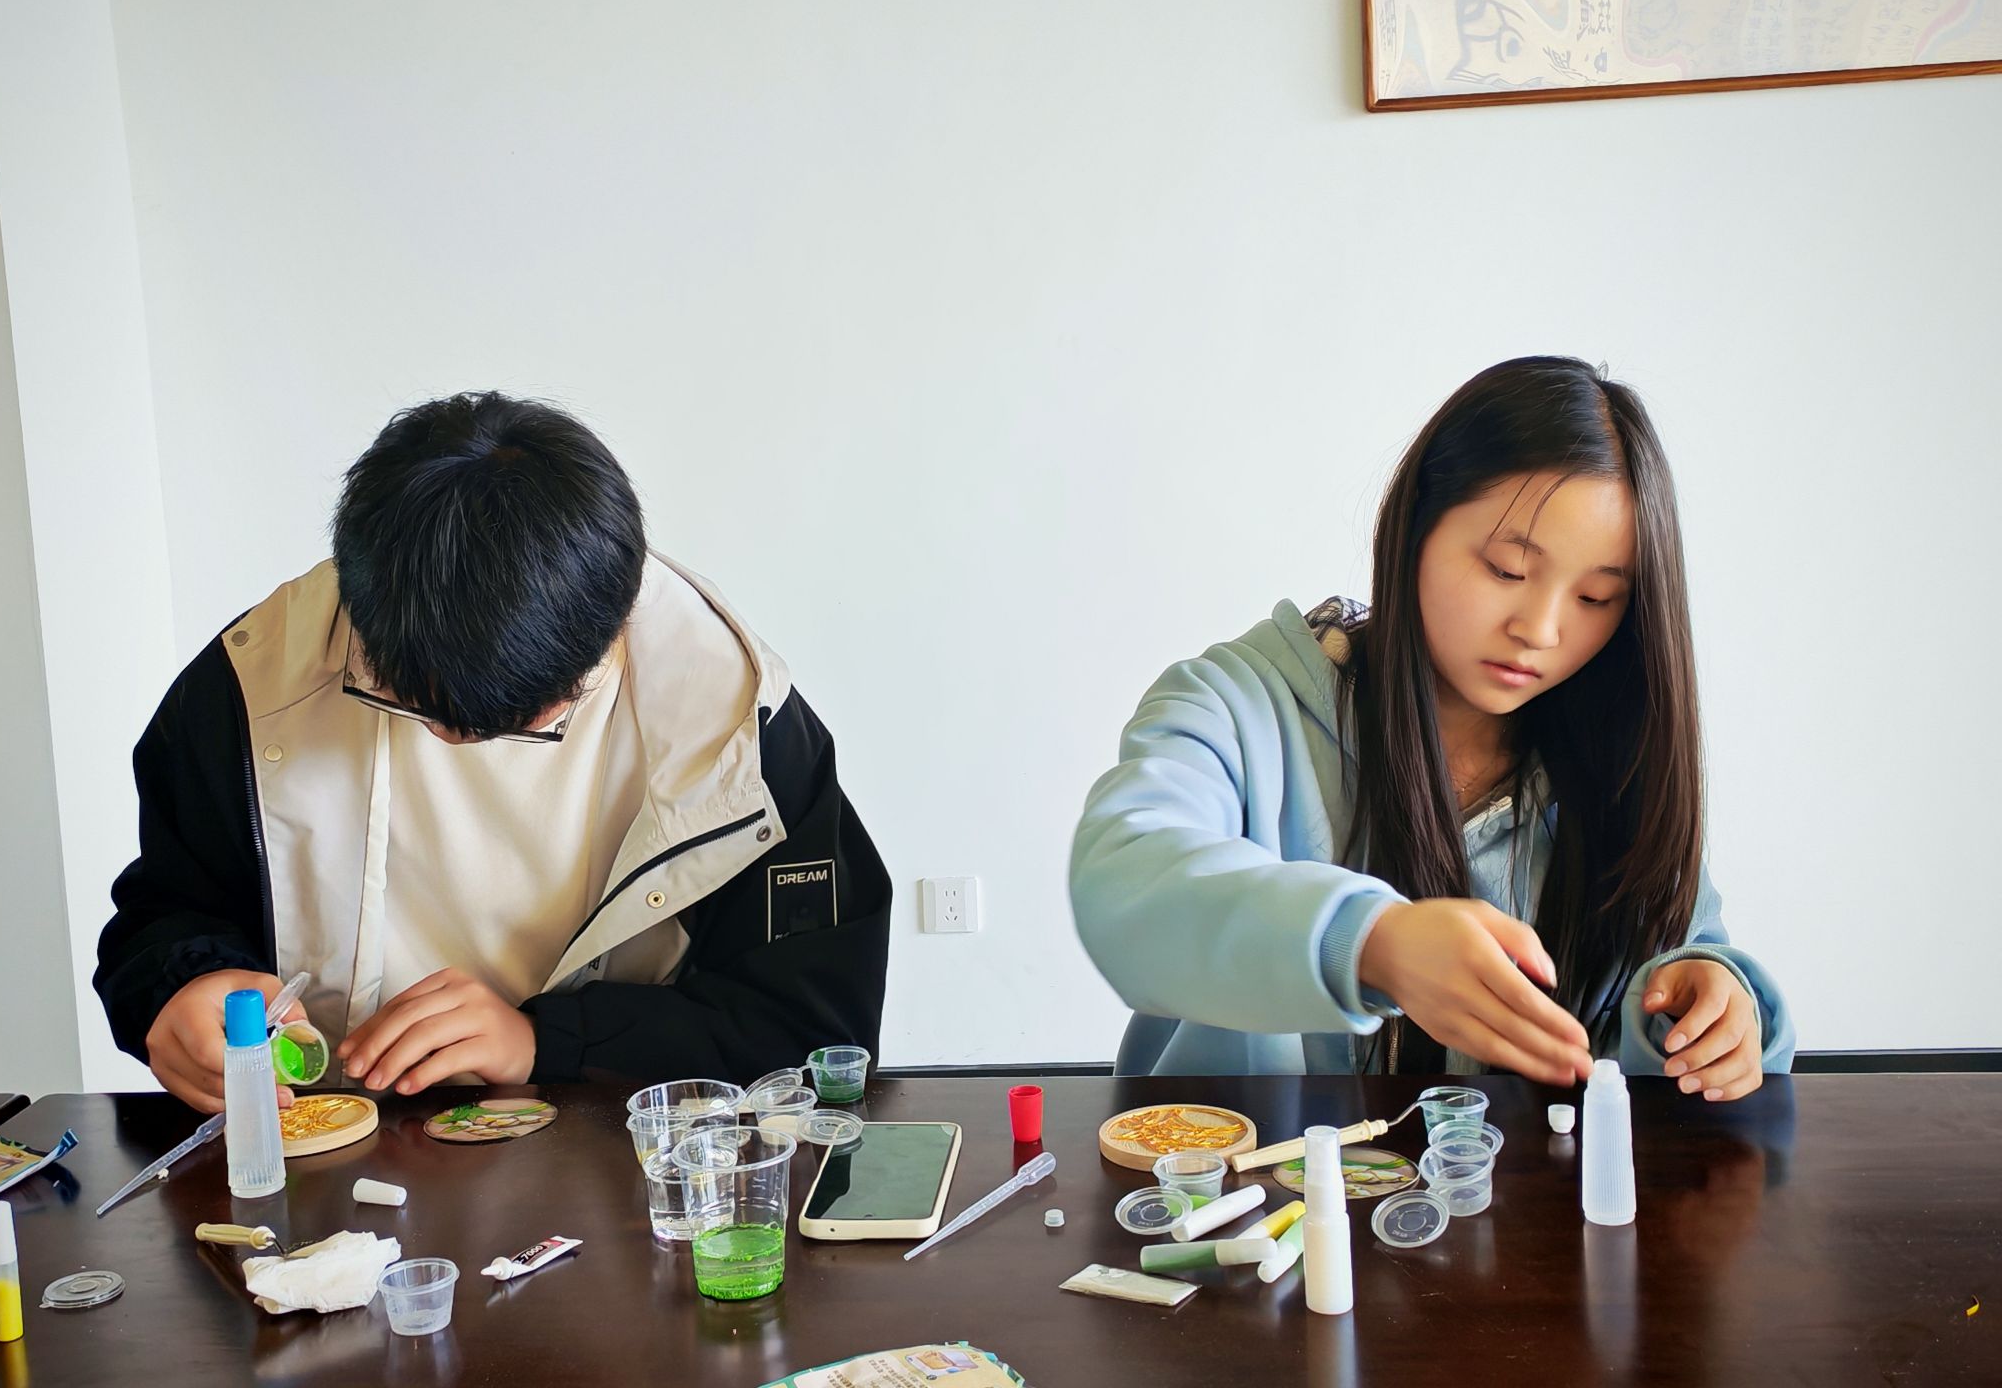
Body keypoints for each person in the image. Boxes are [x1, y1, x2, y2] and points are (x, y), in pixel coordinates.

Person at [96, 392, 890, 1112]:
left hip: (622, 1159)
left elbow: (813, 1034)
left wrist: (545, 1042)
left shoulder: (737, 730)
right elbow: (166, 913)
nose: (456, 737)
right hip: (339, 1151)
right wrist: (183, 988)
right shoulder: (250, 689)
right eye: (414, 702)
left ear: (617, 623)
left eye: (521, 717)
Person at [1070, 357, 1792, 1097]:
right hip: (1234, 1172)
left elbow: (1674, 975)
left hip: (1511, 1174)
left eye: (1596, 599)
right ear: (1414, 525)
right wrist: (1369, 945)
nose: (1541, 629)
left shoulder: (1619, 761)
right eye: (1508, 570)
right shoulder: (1236, 706)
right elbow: (1126, 886)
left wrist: (1705, 1010)